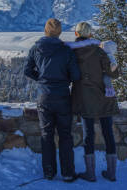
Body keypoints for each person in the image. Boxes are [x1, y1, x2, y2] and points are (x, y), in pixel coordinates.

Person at [24, 18, 80, 182]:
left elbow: (27, 70)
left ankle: (49, 172)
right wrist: (66, 80)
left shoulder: (36, 48)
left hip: (44, 96)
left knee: (46, 135)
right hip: (62, 96)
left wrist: (41, 79)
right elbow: (76, 75)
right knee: (65, 135)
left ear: (45, 30)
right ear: (60, 32)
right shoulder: (66, 50)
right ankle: (68, 173)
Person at [69, 22, 120, 182]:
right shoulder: (99, 51)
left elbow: (70, 75)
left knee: (88, 135)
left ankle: (90, 173)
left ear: (76, 35)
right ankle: (111, 173)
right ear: (90, 35)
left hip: (84, 99)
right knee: (108, 133)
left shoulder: (72, 53)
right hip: (104, 97)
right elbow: (114, 74)